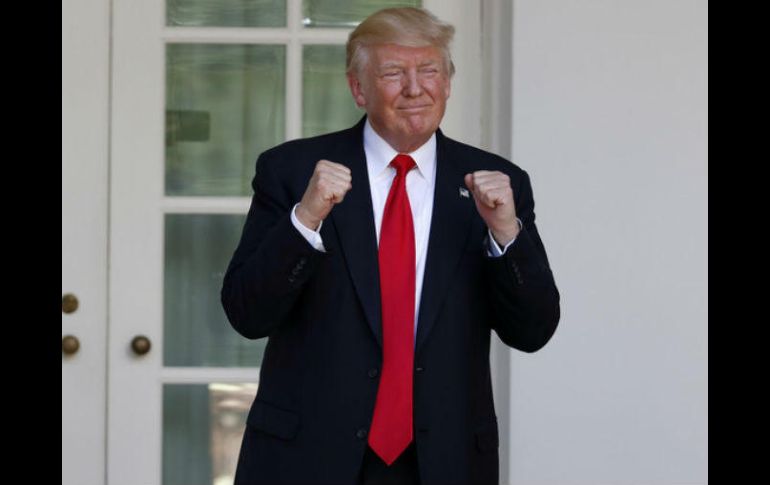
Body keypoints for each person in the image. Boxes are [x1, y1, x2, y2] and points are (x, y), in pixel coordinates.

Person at [221, 7, 560, 485]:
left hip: (444, 460)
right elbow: (247, 314)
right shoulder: (292, 172)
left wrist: (506, 232)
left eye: (429, 71)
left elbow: (534, 330)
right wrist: (306, 218)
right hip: (308, 457)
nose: (415, 88)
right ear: (358, 88)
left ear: (448, 83)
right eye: (393, 73)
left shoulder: (498, 184)